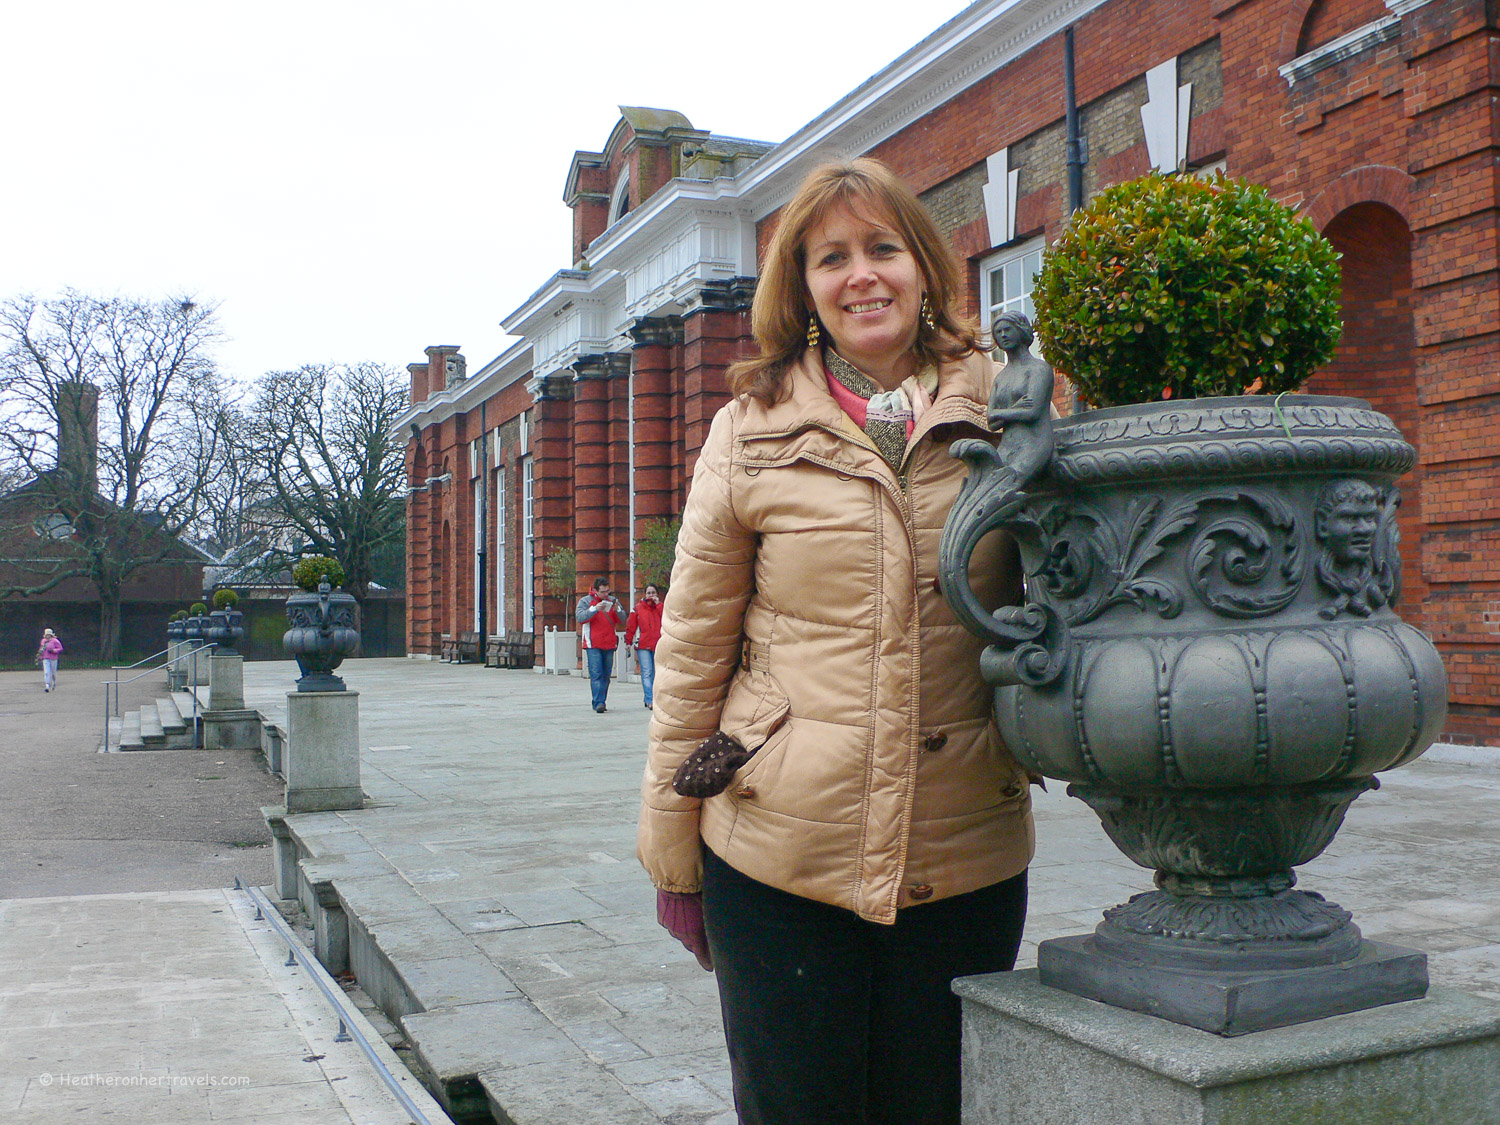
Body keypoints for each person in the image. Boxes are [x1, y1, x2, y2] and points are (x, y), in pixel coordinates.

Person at [638, 158, 1034, 1125]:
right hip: (776, 851)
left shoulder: (1013, 409)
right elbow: (691, 649)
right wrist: (672, 851)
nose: (862, 275)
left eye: (883, 249)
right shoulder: (749, 427)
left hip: (962, 852)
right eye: (832, 257)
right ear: (804, 286)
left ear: (925, 266)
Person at [576, 576, 624, 713]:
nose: (606, 595)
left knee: (606, 675)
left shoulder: (613, 601)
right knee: (596, 673)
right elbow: (580, 617)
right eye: (603, 592)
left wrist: (617, 610)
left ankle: (601, 699)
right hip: (593, 644)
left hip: (609, 642)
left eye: (607, 591)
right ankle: (599, 702)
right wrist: (594, 609)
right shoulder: (585, 601)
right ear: (595, 590)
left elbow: (623, 619)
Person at [624, 584, 663, 710]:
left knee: (658, 673)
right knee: (647, 672)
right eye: (648, 593)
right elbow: (631, 626)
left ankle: (654, 698)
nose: (651, 595)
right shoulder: (638, 609)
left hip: (659, 644)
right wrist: (628, 642)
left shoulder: (661, 607)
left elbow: (667, 620)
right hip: (643, 645)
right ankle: (649, 699)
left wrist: (659, 605)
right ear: (644, 595)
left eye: (653, 592)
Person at [37, 628, 63, 692]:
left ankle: (54, 682)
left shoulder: (55, 641)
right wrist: (40, 655)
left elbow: (60, 648)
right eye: (46, 635)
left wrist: (53, 650)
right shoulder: (43, 641)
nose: (47, 636)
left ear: (51, 635)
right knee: (46, 672)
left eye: (48, 634)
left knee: (53, 673)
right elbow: (42, 649)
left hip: (53, 658)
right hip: (45, 658)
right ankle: (47, 685)